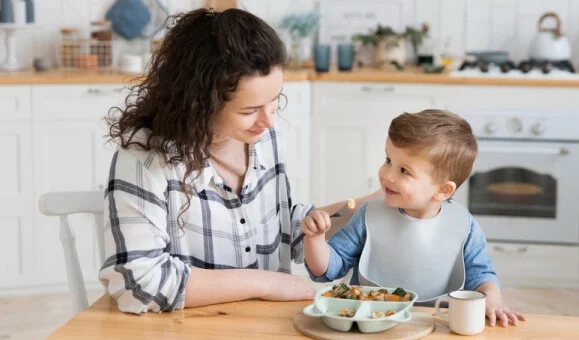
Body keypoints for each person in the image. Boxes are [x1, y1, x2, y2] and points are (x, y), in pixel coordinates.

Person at [99, 8, 378, 315]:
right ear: (198, 103)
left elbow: (283, 230)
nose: (269, 122)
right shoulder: (145, 159)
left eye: (275, 102)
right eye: (249, 111)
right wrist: (265, 283)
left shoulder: (263, 139)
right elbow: (139, 283)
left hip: (264, 325)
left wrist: (372, 204)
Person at [301, 109, 526, 327]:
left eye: (404, 171)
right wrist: (315, 238)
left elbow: (481, 277)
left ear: (443, 191)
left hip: (437, 324)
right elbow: (327, 270)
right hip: (370, 325)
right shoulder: (368, 215)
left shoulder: (464, 226)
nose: (387, 175)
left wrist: (492, 297)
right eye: (388, 160)